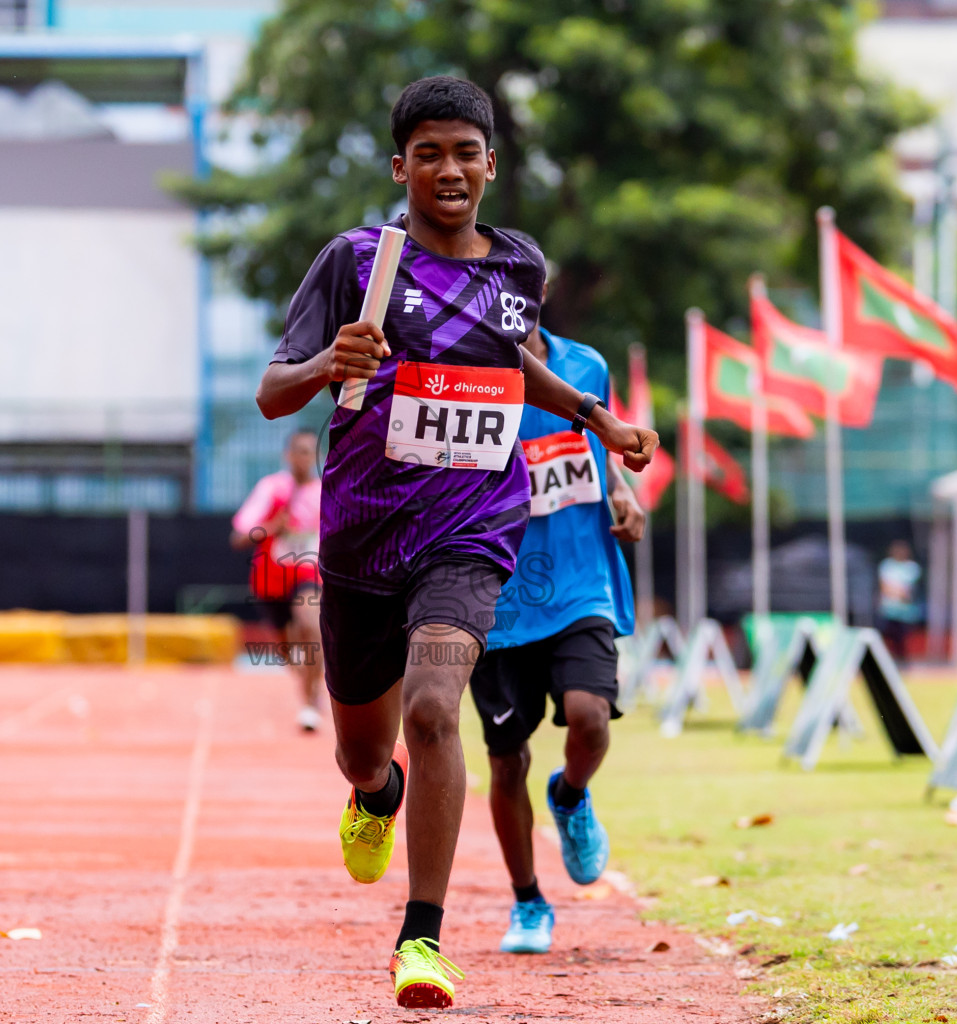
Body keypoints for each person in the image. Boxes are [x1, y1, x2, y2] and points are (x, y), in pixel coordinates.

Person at [254, 76, 657, 1009]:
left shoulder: (517, 267)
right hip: (361, 541)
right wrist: (328, 362)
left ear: (488, 165)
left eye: (465, 151)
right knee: (366, 749)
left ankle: (421, 940)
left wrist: (598, 415)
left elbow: (511, 359)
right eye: (427, 151)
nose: (448, 168)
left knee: (438, 706)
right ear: (400, 166)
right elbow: (275, 390)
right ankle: (376, 794)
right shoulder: (356, 262)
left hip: (470, 532)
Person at [468, 231, 645, 955]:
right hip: (498, 595)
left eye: (523, 287)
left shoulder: (585, 367)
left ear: (539, 292)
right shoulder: (466, 372)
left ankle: (570, 796)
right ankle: (528, 901)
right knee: (506, 759)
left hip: (580, 579)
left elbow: (598, 446)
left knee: (589, 718)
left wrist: (626, 491)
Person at [231, 430, 324, 731]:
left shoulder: (325, 493)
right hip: (271, 580)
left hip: (309, 574)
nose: (303, 458)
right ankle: (306, 679)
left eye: (309, 452)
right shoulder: (271, 489)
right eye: (298, 451)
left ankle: (310, 704)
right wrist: (272, 528)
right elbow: (239, 539)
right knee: (287, 651)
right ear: (287, 455)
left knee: (311, 624)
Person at [877, 540, 922, 661]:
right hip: (889, 609)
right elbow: (885, 587)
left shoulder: (912, 568)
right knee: (888, 636)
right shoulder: (887, 565)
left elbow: (907, 591)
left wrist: (895, 591)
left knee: (902, 638)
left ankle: (902, 661)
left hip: (905, 611)